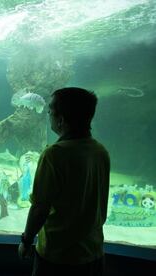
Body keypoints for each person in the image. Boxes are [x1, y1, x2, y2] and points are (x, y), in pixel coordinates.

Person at [18, 87, 110, 276]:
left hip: (58, 256)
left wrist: (26, 241)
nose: (48, 113)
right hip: (93, 253)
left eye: (50, 110)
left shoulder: (54, 154)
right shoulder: (100, 151)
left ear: (61, 119)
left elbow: (39, 208)